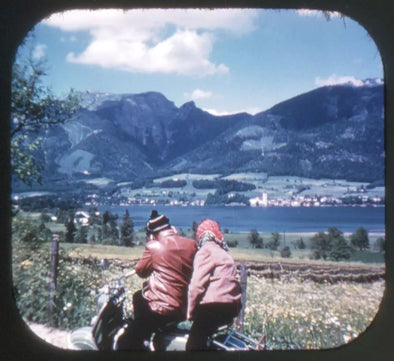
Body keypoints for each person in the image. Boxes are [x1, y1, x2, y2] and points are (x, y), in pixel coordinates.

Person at [116, 210, 197, 350]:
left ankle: (142, 340)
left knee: (125, 341)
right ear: (169, 228)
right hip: (184, 309)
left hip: (160, 309)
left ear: (152, 233)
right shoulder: (191, 245)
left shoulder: (153, 246)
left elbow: (141, 271)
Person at [186, 219, 242, 351]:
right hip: (231, 309)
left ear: (201, 236)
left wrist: (190, 312)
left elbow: (196, 286)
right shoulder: (224, 253)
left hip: (213, 308)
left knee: (193, 345)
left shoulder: (205, 251)